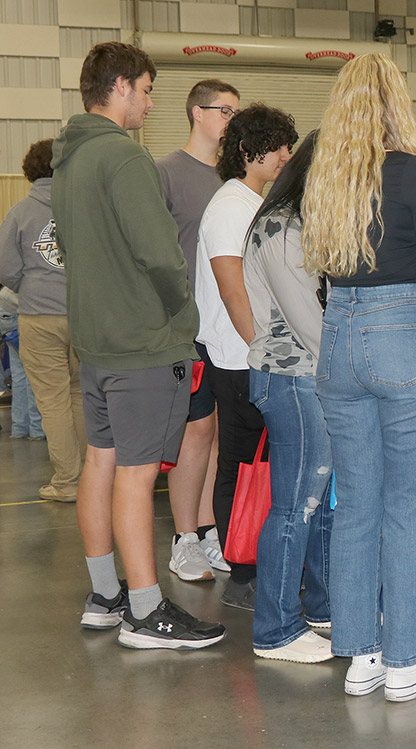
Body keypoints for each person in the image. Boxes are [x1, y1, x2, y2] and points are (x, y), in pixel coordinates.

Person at [302, 53, 416, 701]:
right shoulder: (412, 173)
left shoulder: (329, 180)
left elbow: (324, 276)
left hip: (340, 341)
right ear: (396, 103)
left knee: (356, 505)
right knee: (406, 506)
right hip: (404, 338)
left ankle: (362, 656)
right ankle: (405, 660)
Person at [51, 41, 225, 648]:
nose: (150, 104)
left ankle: (106, 595)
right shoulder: (124, 159)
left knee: (101, 463)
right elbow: (160, 254)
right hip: (143, 344)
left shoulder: (66, 162)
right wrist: (183, 313)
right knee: (136, 472)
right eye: (147, 90)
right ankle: (148, 612)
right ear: (121, 86)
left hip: (96, 342)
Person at [195, 103, 297, 610]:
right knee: (240, 463)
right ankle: (242, 571)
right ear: (245, 150)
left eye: (287, 144)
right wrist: (265, 354)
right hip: (240, 359)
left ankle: (256, 562)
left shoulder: (252, 203)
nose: (285, 154)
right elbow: (235, 293)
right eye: (276, 144)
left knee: (259, 462)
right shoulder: (229, 208)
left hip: (255, 354)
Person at [243, 131, 333, 663]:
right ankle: (276, 629)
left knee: (318, 506)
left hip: (309, 377)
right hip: (293, 377)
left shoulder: (303, 222)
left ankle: (320, 607)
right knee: (295, 506)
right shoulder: (280, 226)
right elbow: (310, 323)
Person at [158, 79, 240, 582]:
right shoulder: (165, 172)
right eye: (224, 110)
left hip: (228, 327)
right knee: (195, 431)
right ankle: (183, 538)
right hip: (185, 327)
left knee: (217, 436)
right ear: (196, 112)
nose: (231, 120)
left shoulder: (235, 179)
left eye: (237, 111)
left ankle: (209, 532)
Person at [0, 139, 81, 495]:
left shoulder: (20, 212)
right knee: (81, 395)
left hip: (38, 316)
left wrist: (30, 283)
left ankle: (68, 481)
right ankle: (93, 478)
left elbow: (6, 269)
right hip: (82, 314)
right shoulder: (83, 209)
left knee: (52, 401)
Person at [0, 287, 44, 442]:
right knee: (34, 375)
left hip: (5, 310)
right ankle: (37, 430)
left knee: (19, 376)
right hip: (25, 309)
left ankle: (19, 428)